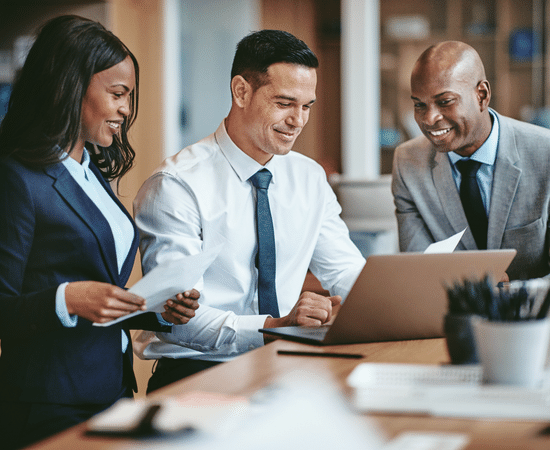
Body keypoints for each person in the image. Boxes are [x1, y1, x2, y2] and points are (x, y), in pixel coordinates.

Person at [0, 15, 199, 449]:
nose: (126, 110)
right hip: (48, 405)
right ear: (71, 87)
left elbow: (99, 297)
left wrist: (157, 311)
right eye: (117, 94)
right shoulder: (17, 178)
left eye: (129, 96)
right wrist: (68, 297)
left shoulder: (91, 175)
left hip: (111, 392)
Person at [133, 29, 365, 392]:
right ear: (241, 91)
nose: (298, 120)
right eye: (285, 103)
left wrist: (387, 305)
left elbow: (345, 270)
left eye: (306, 106)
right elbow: (179, 320)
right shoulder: (176, 185)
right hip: (197, 378)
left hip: (288, 371)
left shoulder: (309, 178)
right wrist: (277, 326)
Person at [392, 41, 550, 281]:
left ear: (482, 95)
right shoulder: (408, 163)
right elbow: (419, 270)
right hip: (450, 313)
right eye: (419, 105)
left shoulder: (544, 152)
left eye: (445, 101)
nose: (429, 118)